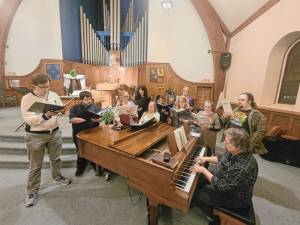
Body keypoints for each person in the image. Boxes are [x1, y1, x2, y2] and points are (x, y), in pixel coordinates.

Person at [21, 74, 71, 207]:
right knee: (35, 165)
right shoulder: (27, 99)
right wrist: (45, 116)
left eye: (48, 86)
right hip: (36, 136)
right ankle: (32, 192)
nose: (46, 89)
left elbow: (60, 109)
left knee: (56, 159)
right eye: (43, 87)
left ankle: (57, 177)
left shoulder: (53, 95)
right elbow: (29, 119)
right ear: (34, 87)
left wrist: (62, 111)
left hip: (54, 133)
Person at [191, 128, 258, 225]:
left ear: (237, 146)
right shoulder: (235, 152)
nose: (224, 143)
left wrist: (203, 170)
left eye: (226, 142)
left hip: (234, 198)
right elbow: (221, 158)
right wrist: (205, 158)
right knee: (198, 178)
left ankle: (216, 219)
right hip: (223, 179)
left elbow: (221, 186)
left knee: (199, 195)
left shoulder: (241, 168)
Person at [69, 91, 101, 177]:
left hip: (93, 132)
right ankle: (80, 167)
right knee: (80, 150)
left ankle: (95, 166)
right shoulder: (75, 108)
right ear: (81, 100)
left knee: (93, 150)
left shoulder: (95, 107)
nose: (89, 101)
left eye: (90, 99)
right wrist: (87, 119)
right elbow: (72, 120)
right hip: (79, 132)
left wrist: (97, 120)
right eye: (86, 99)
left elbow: (100, 118)